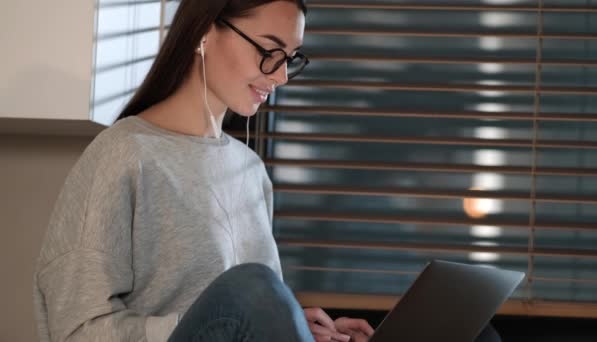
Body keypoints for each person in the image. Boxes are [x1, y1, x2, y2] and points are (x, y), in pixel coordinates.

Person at [32, 0, 375, 341]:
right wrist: (225, 322)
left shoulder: (249, 170)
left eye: (289, 58)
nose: (281, 75)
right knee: (252, 288)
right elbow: (77, 330)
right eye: (270, 50)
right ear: (204, 34)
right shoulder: (123, 154)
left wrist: (290, 327)